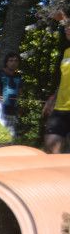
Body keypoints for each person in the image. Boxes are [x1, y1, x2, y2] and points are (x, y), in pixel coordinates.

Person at [42, 10, 70, 153]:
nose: (67, 29)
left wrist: (64, 19)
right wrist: (53, 97)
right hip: (60, 108)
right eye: (66, 28)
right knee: (51, 147)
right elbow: (65, 79)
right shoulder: (66, 52)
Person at [0, 52, 23, 135]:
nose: (13, 63)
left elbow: (20, 91)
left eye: (16, 61)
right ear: (6, 62)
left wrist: (19, 103)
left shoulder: (19, 76)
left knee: (9, 136)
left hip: (12, 110)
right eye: (11, 60)